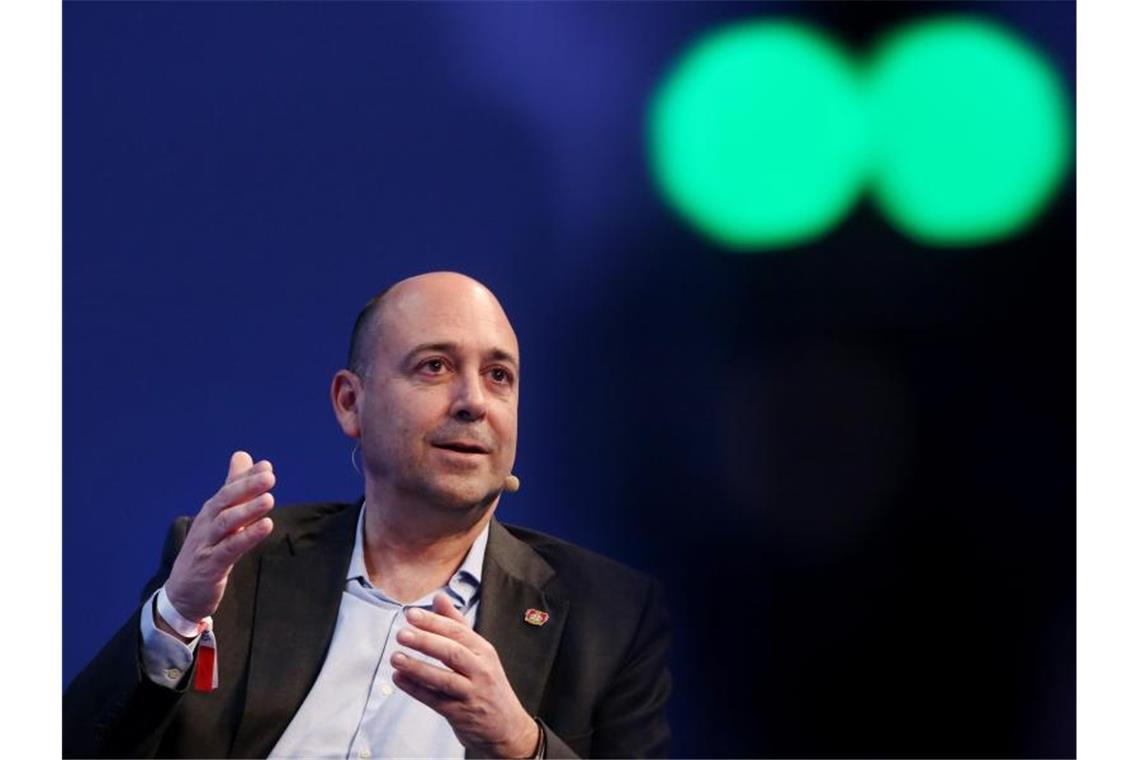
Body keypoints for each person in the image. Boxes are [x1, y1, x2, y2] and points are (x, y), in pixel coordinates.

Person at [63, 272, 671, 758]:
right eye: (434, 366)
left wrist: (521, 747)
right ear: (351, 403)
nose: (473, 402)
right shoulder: (237, 568)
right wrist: (172, 619)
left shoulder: (609, 616)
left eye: (498, 375)